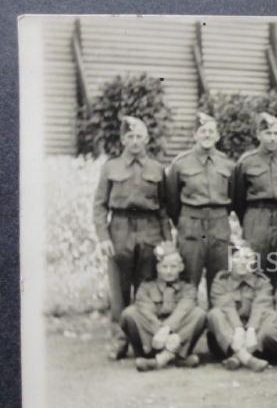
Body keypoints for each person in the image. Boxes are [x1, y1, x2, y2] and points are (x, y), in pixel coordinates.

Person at [93, 116, 171, 360]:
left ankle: (142, 339)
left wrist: (167, 242)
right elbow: (99, 205)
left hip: (149, 230)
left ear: (147, 139)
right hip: (120, 228)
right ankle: (119, 340)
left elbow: (163, 209)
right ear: (123, 139)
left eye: (139, 137)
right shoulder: (111, 167)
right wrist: (103, 237)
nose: (135, 141)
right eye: (130, 137)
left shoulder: (157, 169)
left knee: (145, 287)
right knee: (119, 289)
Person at [165, 112, 235, 296]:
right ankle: (190, 321)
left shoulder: (228, 164)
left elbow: (235, 197)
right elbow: (171, 201)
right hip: (191, 225)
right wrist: (185, 221)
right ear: (195, 135)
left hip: (219, 225)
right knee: (188, 278)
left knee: (220, 279)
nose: (207, 135)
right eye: (202, 131)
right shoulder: (180, 164)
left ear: (218, 135)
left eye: (211, 131)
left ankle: (216, 322)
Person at [119, 241, 206, 372]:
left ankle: (164, 358)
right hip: (153, 336)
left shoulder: (188, 287)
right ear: (158, 268)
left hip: (175, 333)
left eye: (173, 266)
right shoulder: (146, 286)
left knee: (199, 314)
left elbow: (183, 310)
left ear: (181, 267)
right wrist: (159, 331)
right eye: (164, 267)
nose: (169, 271)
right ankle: (156, 355)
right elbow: (146, 312)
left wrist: (167, 329)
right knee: (129, 314)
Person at [232, 112, 277, 281]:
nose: (272, 138)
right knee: (254, 261)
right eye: (268, 133)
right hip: (256, 217)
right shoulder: (247, 161)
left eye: (276, 133)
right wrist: (249, 218)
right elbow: (237, 197)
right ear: (258, 134)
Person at [206, 242, 277, 372]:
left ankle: (238, 358)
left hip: (254, 339)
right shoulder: (221, 281)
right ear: (230, 261)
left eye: (247, 258)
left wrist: (251, 329)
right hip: (226, 340)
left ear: (253, 262)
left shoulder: (262, 282)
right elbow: (226, 306)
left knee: (272, 315)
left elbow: (261, 306)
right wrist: (238, 329)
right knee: (215, 314)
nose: (242, 262)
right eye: (237, 257)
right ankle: (246, 358)